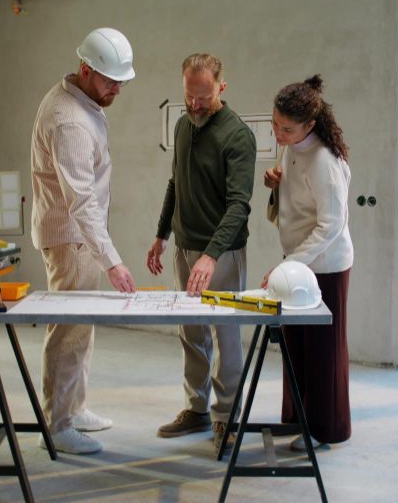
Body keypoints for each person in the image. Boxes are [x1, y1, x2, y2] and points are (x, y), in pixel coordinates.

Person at [29, 27, 137, 454]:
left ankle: (74, 408)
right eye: (111, 80)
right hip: (72, 238)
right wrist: (112, 260)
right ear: (85, 69)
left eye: (121, 81)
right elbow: (80, 201)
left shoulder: (83, 100)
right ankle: (58, 426)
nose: (117, 89)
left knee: (80, 326)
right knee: (69, 329)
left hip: (79, 238)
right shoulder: (68, 121)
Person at [147, 53, 257, 451]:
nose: (194, 105)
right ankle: (196, 409)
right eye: (188, 96)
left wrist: (211, 255)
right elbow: (176, 183)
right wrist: (162, 234)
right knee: (191, 333)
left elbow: (238, 206)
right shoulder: (182, 125)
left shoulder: (237, 136)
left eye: (203, 96)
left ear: (221, 87)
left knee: (224, 334)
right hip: (184, 246)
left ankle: (226, 417)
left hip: (223, 253)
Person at [262, 75, 353, 452]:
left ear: (310, 126)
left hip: (325, 266)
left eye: (286, 129)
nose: (278, 133)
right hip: (299, 260)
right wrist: (276, 184)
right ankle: (298, 420)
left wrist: (288, 267)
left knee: (322, 350)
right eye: (275, 124)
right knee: (295, 346)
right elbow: (296, 201)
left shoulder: (325, 161)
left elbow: (331, 226)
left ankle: (323, 430)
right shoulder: (293, 147)